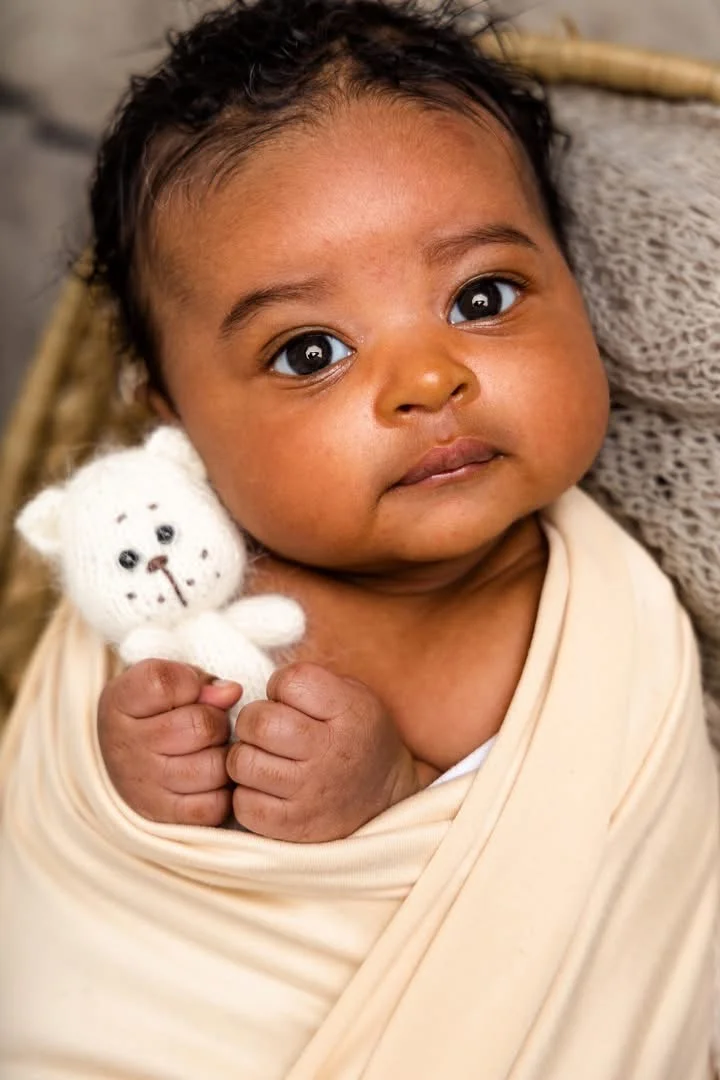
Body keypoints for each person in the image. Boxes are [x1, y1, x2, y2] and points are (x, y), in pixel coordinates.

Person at [1, 1, 717, 1077]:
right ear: (178, 422)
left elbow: (627, 917)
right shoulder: (168, 576)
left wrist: (394, 791)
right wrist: (140, 774)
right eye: (309, 352)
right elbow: (83, 883)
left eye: (482, 295)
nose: (430, 380)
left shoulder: (613, 635)